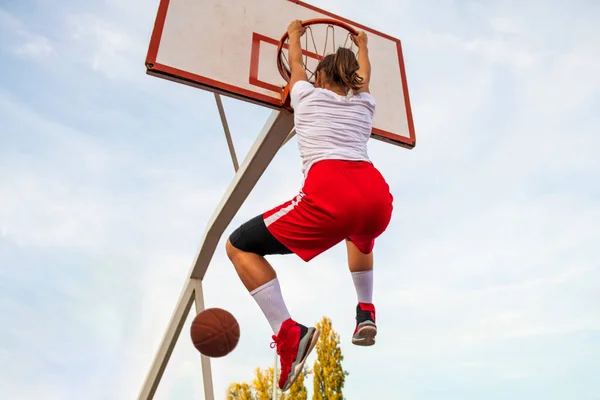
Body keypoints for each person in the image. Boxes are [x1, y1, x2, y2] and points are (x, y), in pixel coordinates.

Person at [225, 20, 393, 391]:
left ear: (317, 78)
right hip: (377, 194)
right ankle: (366, 309)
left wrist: (296, 37)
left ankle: (288, 333)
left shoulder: (305, 95)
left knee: (237, 244)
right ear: (353, 79)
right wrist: (363, 44)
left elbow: (297, 64)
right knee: (359, 234)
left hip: (329, 190)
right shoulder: (365, 104)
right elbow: (366, 74)